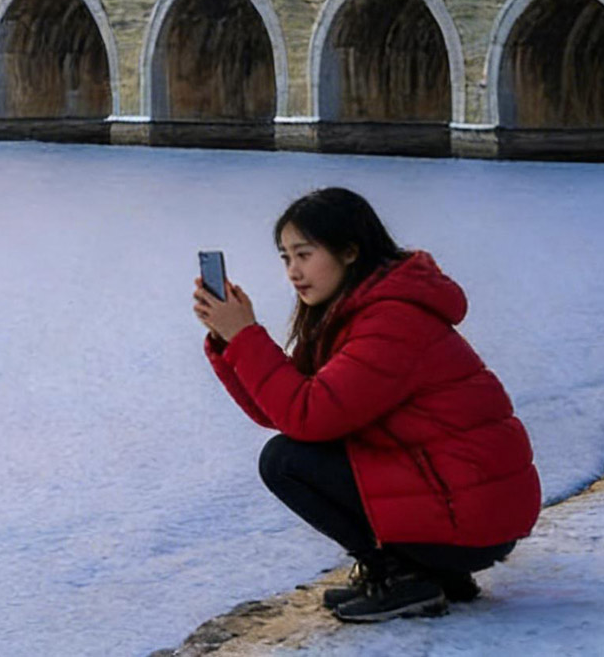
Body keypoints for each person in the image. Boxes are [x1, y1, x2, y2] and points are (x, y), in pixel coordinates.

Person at [193, 187, 540, 624]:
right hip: (465, 499)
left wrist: (247, 337)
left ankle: (403, 576)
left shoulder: (391, 321)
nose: (294, 272)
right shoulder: (350, 314)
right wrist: (232, 340)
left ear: (350, 252)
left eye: (304, 254)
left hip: (473, 512)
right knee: (291, 452)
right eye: (285, 258)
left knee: (286, 460)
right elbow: (278, 410)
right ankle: (429, 572)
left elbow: (307, 415)